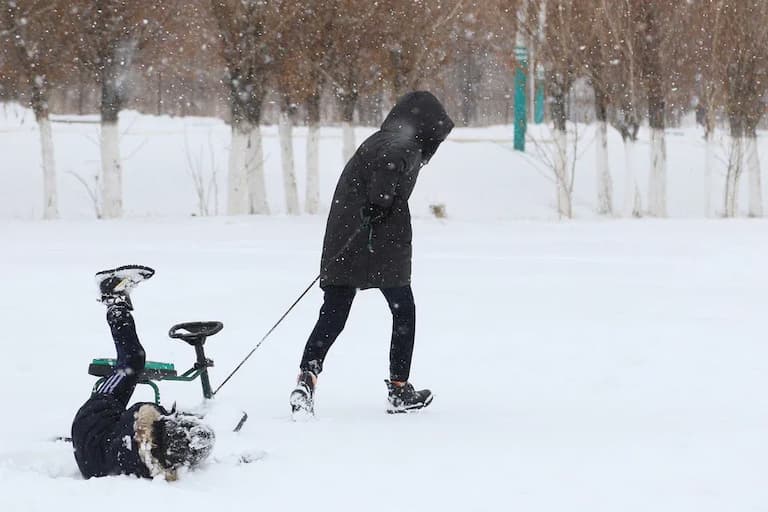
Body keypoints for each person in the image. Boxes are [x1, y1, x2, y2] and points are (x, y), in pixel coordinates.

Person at [290, 91, 454, 416]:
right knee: (403, 311)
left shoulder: (379, 139)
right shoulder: (403, 143)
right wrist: (381, 199)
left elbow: (384, 166)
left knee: (334, 312)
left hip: (346, 238)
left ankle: (307, 378)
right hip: (381, 243)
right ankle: (399, 390)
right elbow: (390, 164)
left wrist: (377, 201)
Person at [71, 265, 214, 480]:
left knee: (134, 360)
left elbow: (142, 409)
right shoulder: (150, 463)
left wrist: (162, 413)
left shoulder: (138, 428)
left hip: (93, 421)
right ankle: (117, 300)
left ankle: (113, 296)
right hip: (94, 457)